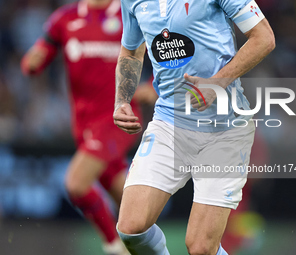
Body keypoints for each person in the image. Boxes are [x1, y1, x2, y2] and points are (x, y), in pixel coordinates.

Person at [113, 0, 275, 254]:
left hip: (225, 128)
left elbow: (264, 37)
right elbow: (131, 52)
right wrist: (122, 100)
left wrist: (216, 83)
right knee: (131, 228)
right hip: (168, 123)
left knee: (201, 248)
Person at [21, 0, 146, 254]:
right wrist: (33, 62)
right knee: (131, 205)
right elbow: (34, 60)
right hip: (82, 125)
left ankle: (114, 246)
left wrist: (153, 86)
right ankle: (148, 244)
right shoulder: (64, 19)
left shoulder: (130, 15)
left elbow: (167, 56)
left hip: (118, 119)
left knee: (76, 183)